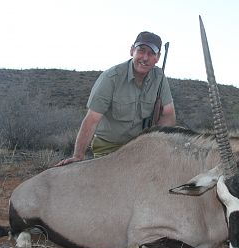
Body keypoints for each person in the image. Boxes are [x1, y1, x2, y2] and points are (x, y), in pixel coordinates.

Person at [56, 31, 176, 166]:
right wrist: (78, 156)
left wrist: (159, 145)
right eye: (141, 51)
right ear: (132, 50)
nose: (145, 58)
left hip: (141, 146)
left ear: (158, 57)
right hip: (109, 148)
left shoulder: (159, 78)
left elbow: (168, 114)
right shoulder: (111, 78)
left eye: (151, 53)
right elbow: (92, 119)